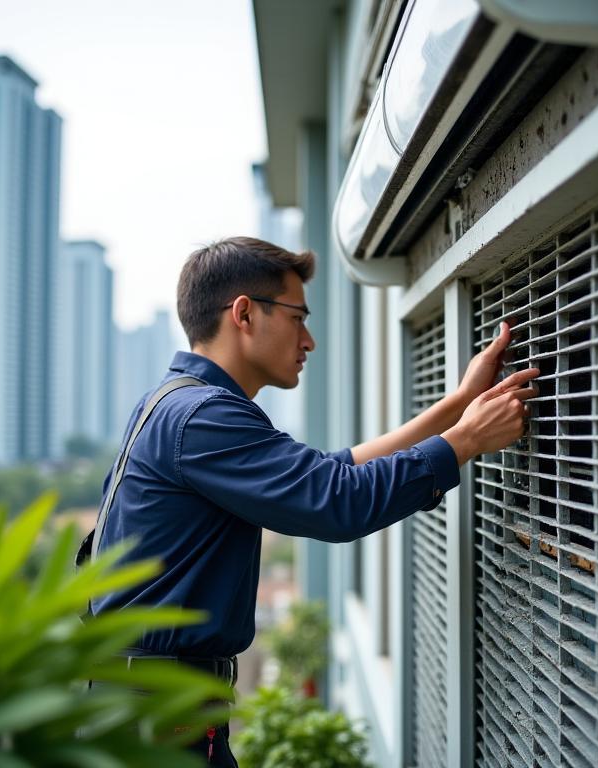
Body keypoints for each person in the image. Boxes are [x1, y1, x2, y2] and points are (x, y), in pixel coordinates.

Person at [91, 237, 539, 765]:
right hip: (156, 722)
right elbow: (337, 502)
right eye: (298, 317)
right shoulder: (204, 417)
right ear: (243, 314)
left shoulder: (172, 403)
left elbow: (325, 473)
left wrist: (458, 408)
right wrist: (466, 441)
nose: (309, 341)